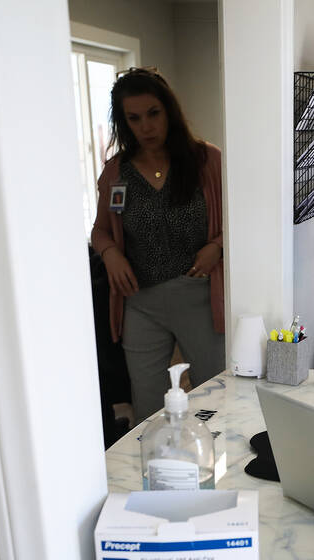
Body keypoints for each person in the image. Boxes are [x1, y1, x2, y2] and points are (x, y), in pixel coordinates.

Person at [90, 67, 224, 421]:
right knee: (148, 403)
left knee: (217, 391)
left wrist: (219, 246)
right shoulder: (116, 172)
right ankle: (156, 472)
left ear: (169, 111)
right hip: (141, 301)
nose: (145, 127)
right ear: (123, 122)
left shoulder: (205, 160)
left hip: (198, 295)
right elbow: (100, 230)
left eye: (153, 114)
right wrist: (110, 252)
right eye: (133, 118)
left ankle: (219, 463)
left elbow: (243, 221)